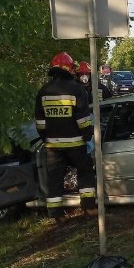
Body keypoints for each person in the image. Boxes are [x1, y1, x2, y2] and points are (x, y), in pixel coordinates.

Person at [35, 52, 96, 220]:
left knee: (54, 179)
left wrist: (46, 138)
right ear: (69, 69)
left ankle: (56, 214)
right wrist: (87, 136)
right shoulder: (76, 89)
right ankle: (88, 208)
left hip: (53, 147)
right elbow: (83, 119)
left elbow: (40, 122)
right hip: (75, 144)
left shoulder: (43, 91)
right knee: (85, 172)